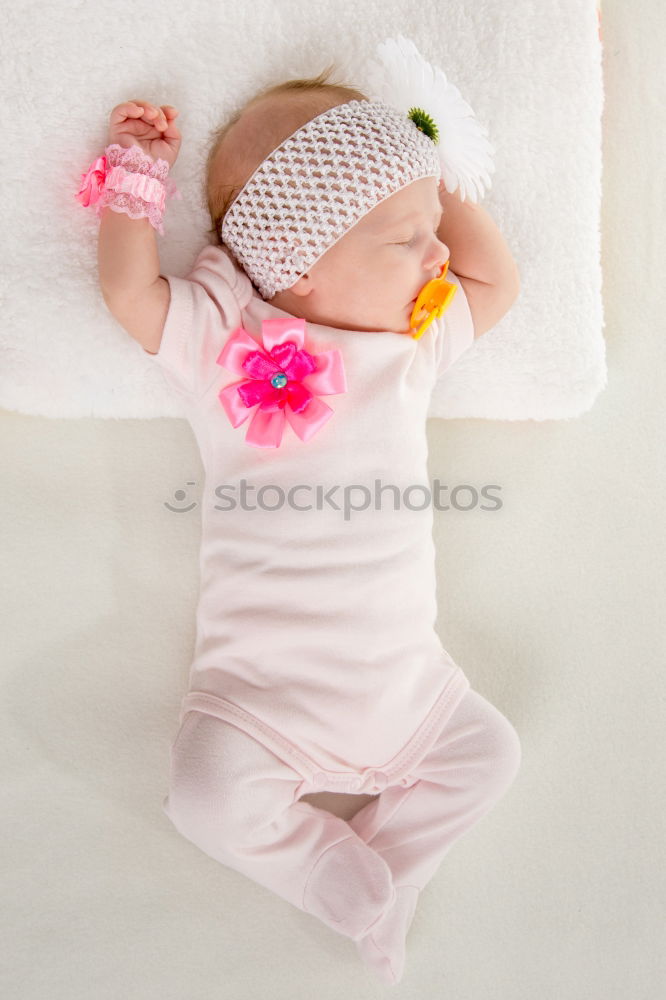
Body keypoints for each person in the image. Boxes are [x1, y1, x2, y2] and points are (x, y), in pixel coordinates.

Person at [84, 58, 522, 986]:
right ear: (301, 259)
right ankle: (329, 868)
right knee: (205, 798)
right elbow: (132, 294)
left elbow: (496, 279)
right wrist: (134, 178)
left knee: (489, 753)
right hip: (260, 700)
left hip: (413, 691)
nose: (437, 256)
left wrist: (432, 175)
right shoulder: (224, 342)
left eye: (432, 232)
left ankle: (384, 882)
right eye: (408, 236)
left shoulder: (413, 344)